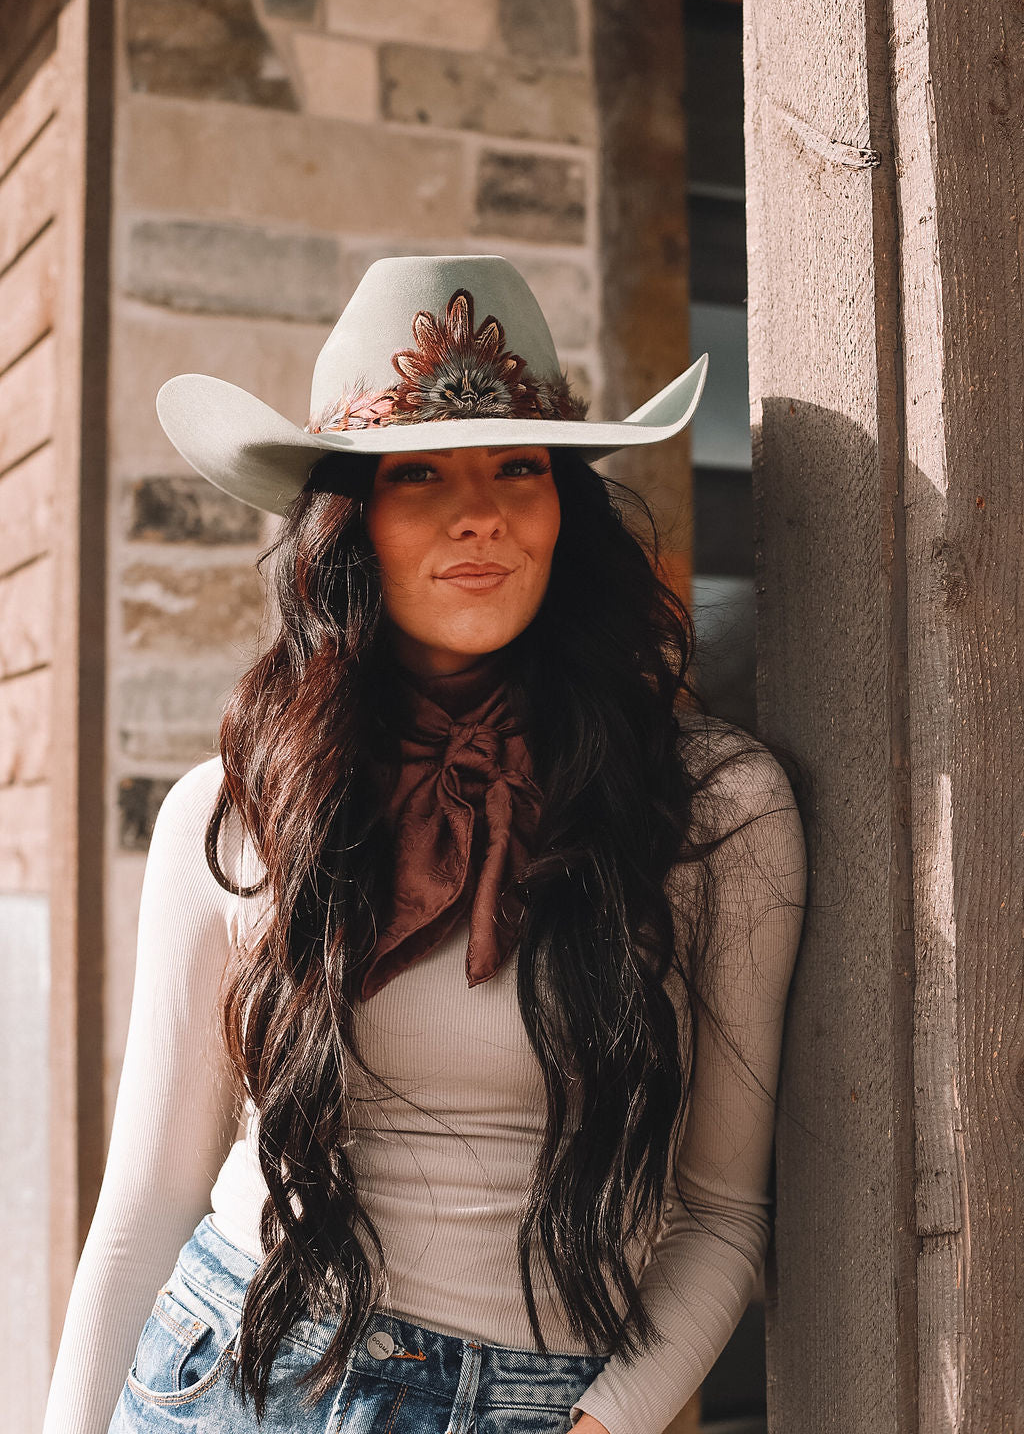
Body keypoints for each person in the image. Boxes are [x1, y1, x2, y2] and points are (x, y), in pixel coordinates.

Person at [42, 254, 807, 1434]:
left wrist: (600, 1424)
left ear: (569, 508)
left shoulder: (710, 805)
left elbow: (720, 1211)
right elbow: (146, 1202)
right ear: (351, 523)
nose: (479, 515)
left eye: (519, 467)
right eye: (418, 477)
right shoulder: (236, 806)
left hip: (530, 1402)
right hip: (219, 1378)